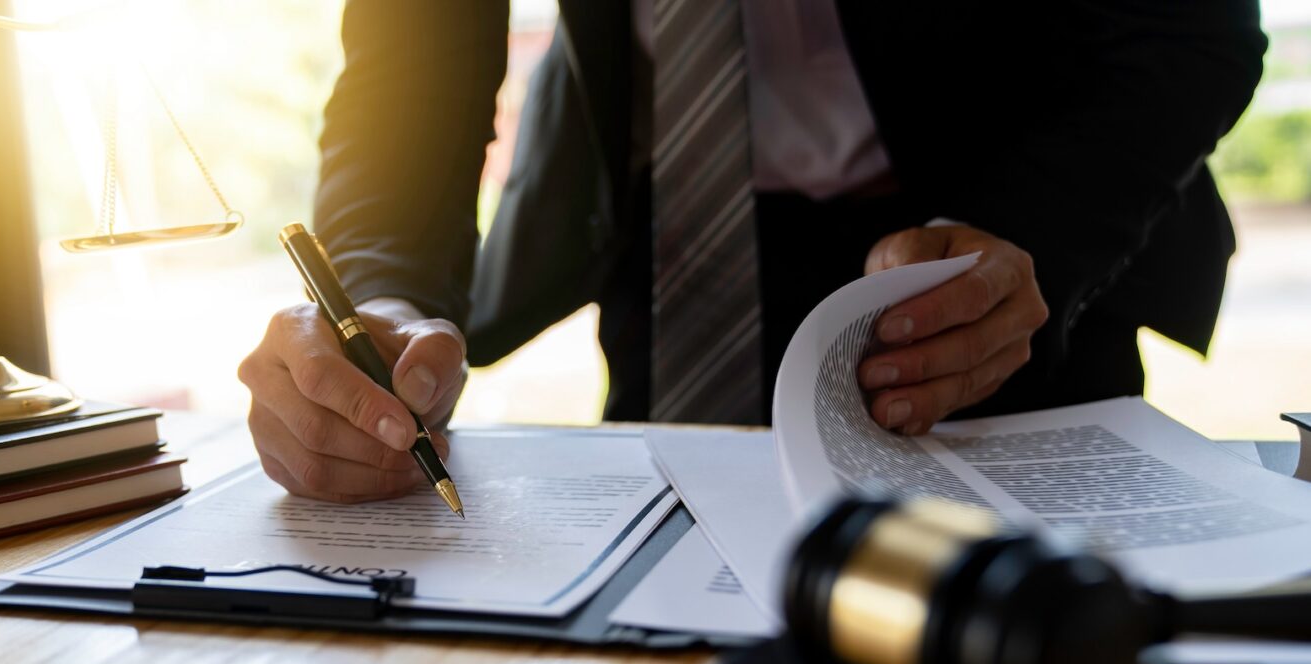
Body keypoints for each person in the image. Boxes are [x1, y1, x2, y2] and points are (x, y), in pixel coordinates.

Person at [238, 0, 1265, 503]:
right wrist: (373, 299)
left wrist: (1031, 229)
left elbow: (1189, 31)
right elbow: (408, 67)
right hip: (673, 247)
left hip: (990, 258)